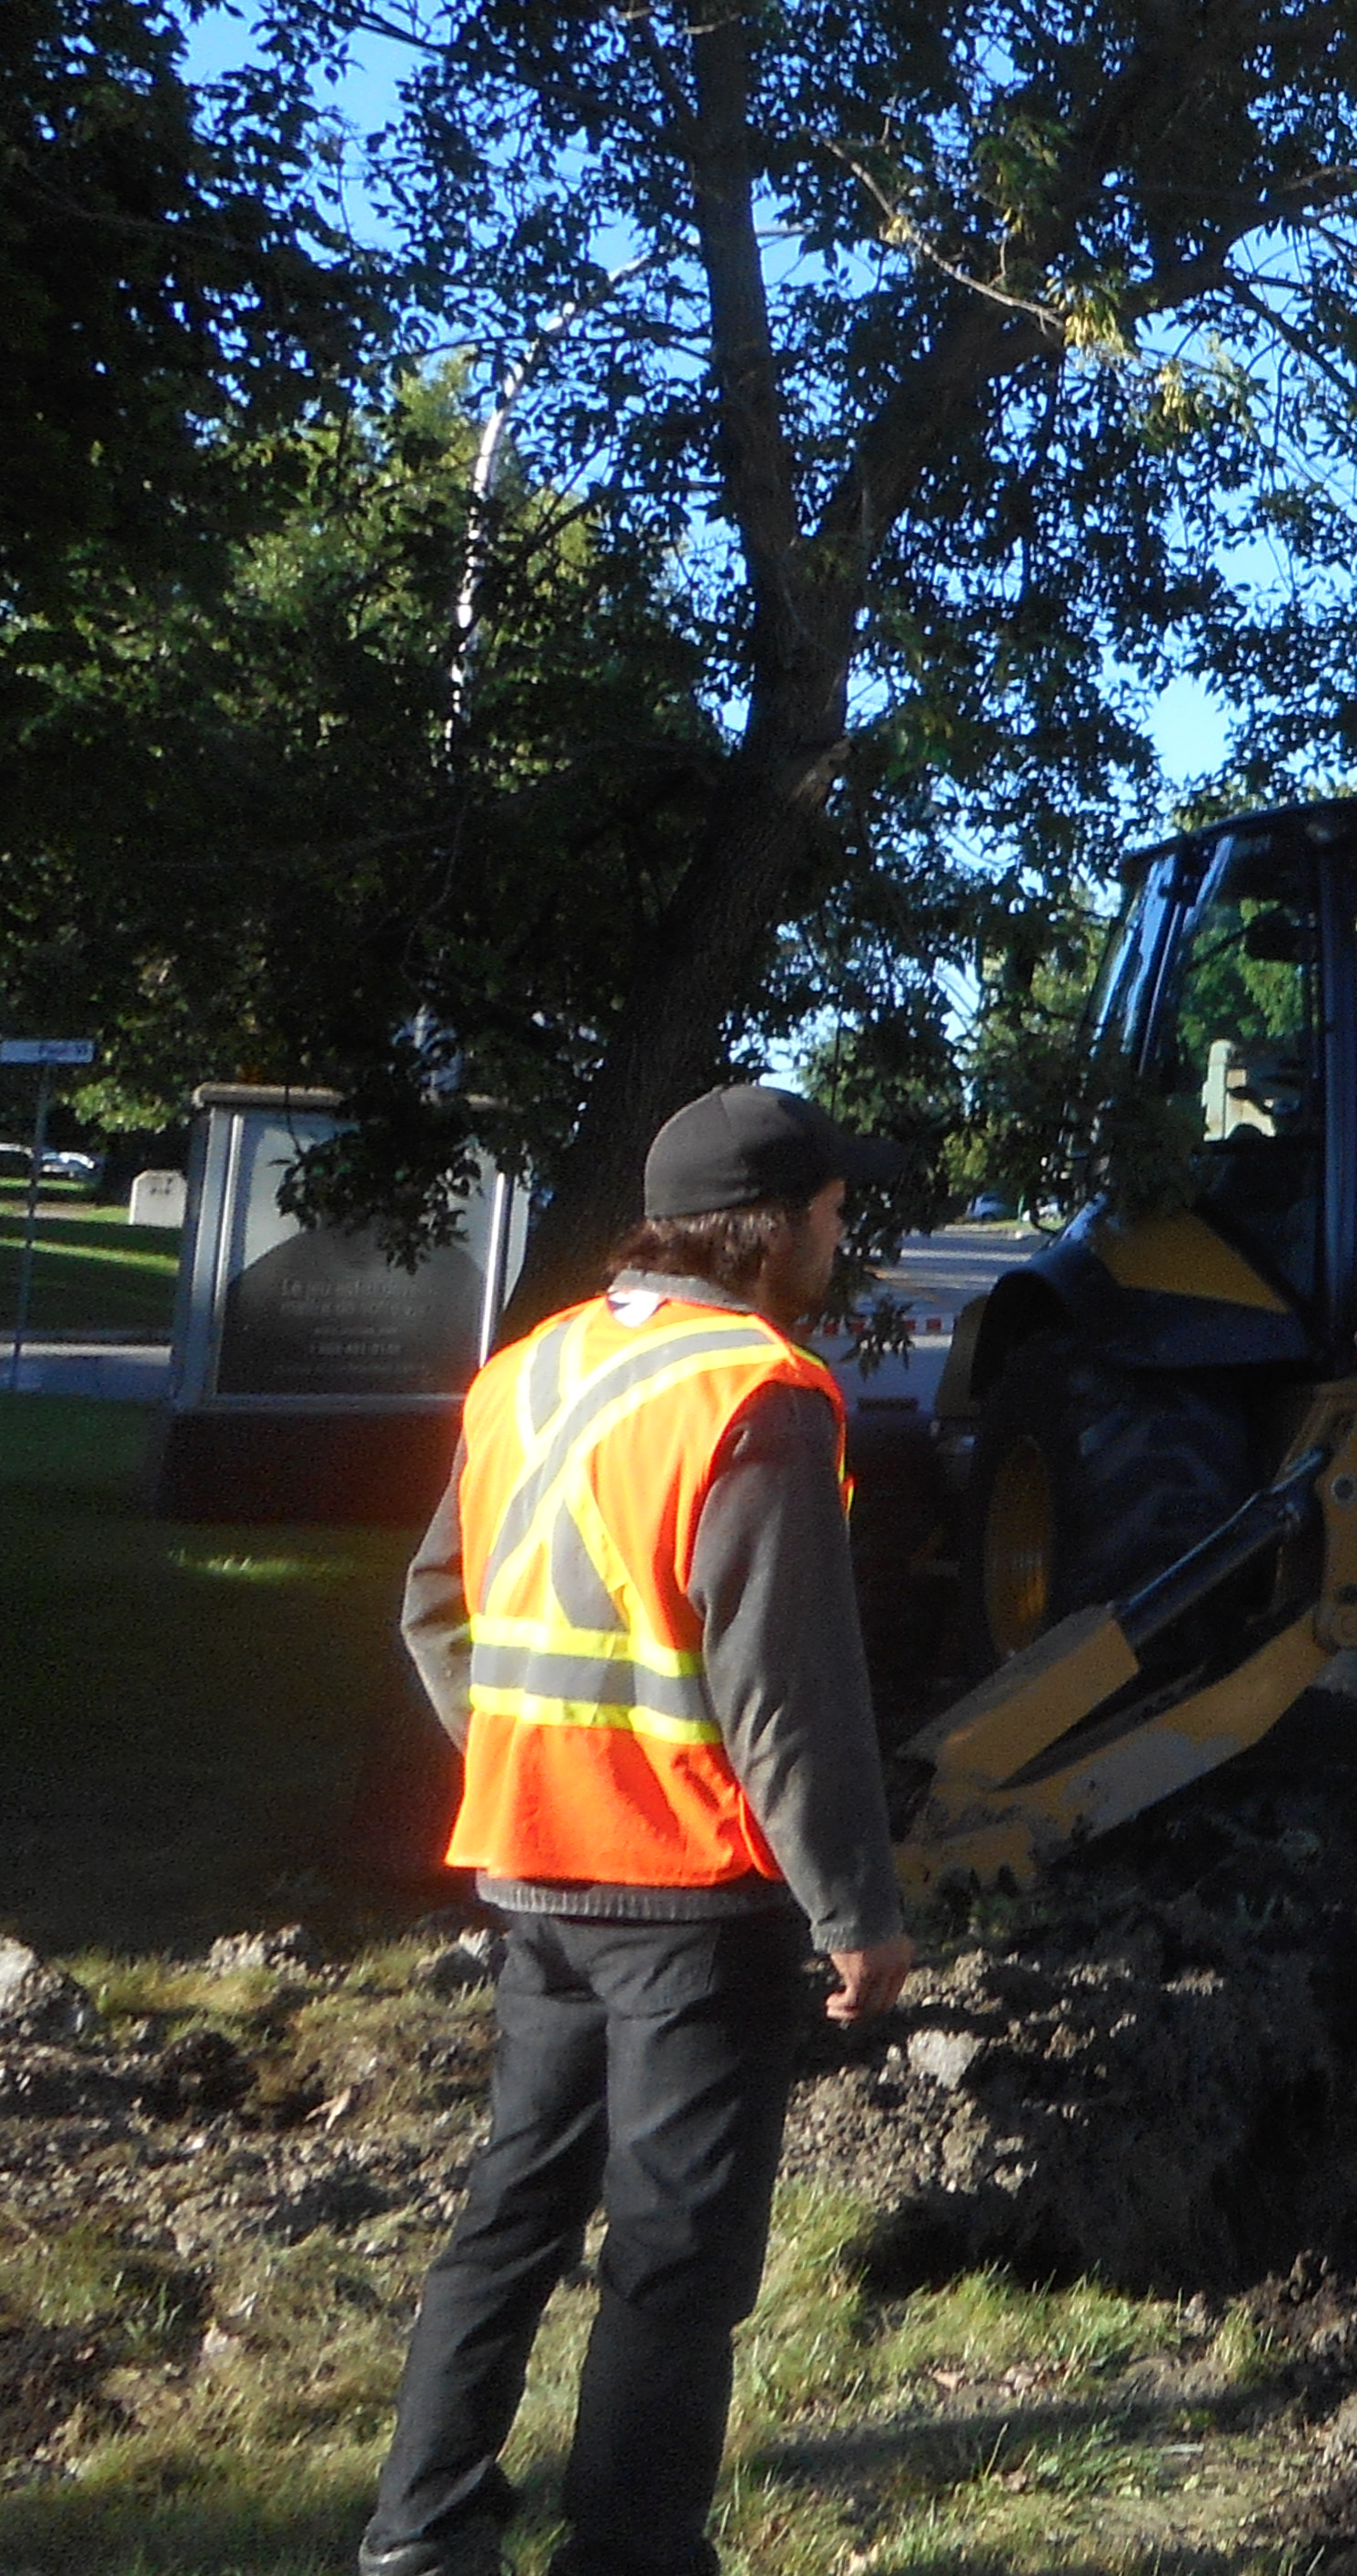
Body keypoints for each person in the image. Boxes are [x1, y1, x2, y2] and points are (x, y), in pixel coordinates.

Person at [359, 1083, 912, 2576]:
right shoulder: (762, 1389)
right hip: (693, 1891)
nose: (843, 1232)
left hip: (536, 1865)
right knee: (674, 2255)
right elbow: (788, 1687)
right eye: (834, 1209)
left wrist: (525, 1754)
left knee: (512, 2211)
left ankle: (418, 2537)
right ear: (771, 1221)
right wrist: (856, 1906)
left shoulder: (528, 1370)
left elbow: (433, 1609)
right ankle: (629, 2552)